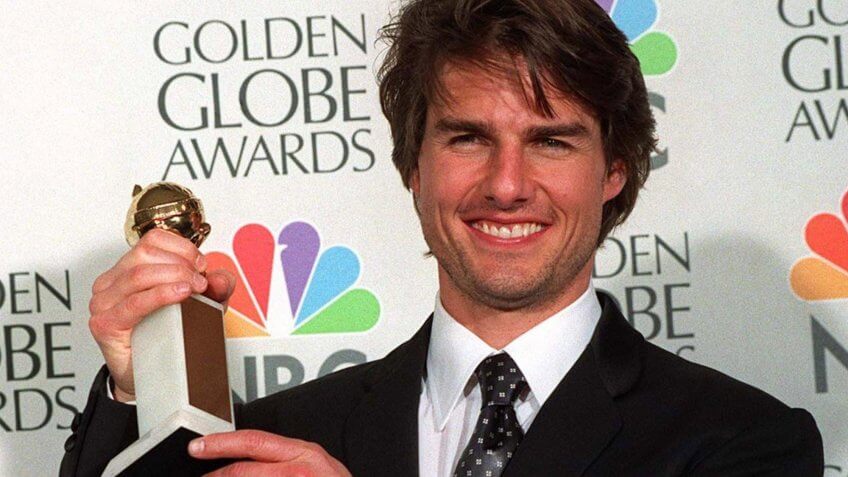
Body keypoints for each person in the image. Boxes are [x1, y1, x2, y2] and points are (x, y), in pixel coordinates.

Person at [61, 0, 824, 475]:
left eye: (553, 141)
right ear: (412, 168)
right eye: (467, 139)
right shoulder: (281, 435)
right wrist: (142, 383)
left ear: (615, 171)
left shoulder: (741, 442)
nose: (506, 183)